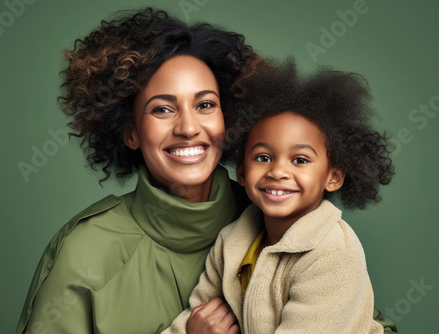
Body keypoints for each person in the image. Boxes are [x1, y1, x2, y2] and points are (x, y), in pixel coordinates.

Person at [16, 8, 397, 334]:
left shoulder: (284, 220)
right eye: (162, 109)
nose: (187, 127)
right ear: (130, 131)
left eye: (206, 105)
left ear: (228, 120)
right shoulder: (85, 251)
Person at [164, 61, 397, 333]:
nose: (277, 171)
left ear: (333, 177)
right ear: (241, 172)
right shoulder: (233, 240)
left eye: (299, 159)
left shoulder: (334, 253)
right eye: (263, 158)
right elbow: (194, 316)